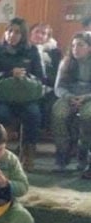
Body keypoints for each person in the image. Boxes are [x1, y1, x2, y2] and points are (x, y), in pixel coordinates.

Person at [0, 17, 45, 171]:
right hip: (1, 97)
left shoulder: (32, 51)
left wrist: (25, 76)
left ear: (23, 35)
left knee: (34, 113)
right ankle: (0, 153)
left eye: (17, 32)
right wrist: (8, 73)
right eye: (9, 31)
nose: (12, 35)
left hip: (25, 97)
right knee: (2, 113)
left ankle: (27, 153)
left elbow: (41, 77)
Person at [51, 31, 91, 175]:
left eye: (80, 45)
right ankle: (62, 155)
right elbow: (58, 87)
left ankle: (84, 154)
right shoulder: (66, 62)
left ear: (89, 47)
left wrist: (85, 97)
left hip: (89, 98)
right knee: (58, 113)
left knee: (88, 116)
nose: (75, 49)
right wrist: (69, 97)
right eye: (73, 45)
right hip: (69, 97)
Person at [30, 22, 62, 130]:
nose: (39, 35)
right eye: (36, 32)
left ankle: (43, 132)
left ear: (48, 37)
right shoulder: (26, 50)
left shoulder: (55, 52)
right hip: (30, 85)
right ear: (30, 34)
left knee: (50, 103)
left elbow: (59, 73)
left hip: (50, 86)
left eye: (43, 33)